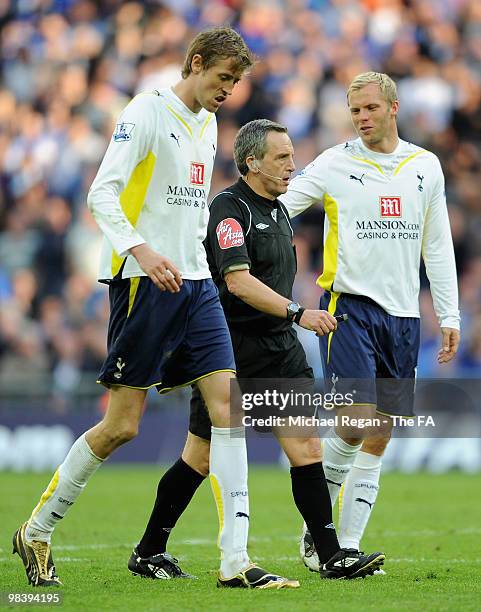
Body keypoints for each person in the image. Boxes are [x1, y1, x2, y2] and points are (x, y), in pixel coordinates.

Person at [13, 27, 297, 591]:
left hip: (194, 286)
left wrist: (203, 268)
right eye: (222, 78)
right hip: (143, 280)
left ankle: (236, 561)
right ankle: (37, 529)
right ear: (195, 63)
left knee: (228, 408)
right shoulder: (146, 112)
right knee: (122, 426)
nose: (229, 91)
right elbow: (101, 193)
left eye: (236, 83)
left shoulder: (210, 125)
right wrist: (142, 249)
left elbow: (189, 213)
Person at [132, 119, 385, 583]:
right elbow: (238, 281)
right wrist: (297, 312)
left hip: (279, 349)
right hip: (228, 347)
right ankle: (149, 549)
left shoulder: (279, 208)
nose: (293, 164)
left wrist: (290, 321)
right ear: (251, 162)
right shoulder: (229, 210)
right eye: (282, 157)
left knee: (306, 445)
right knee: (201, 456)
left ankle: (332, 556)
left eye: (292, 155)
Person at [277, 72, 461, 571]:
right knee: (354, 423)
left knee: (379, 432)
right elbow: (280, 209)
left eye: (370, 109)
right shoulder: (335, 163)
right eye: (355, 110)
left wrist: (449, 312)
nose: (361, 118)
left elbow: (437, 245)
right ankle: (320, 538)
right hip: (349, 310)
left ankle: (348, 546)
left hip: (403, 318)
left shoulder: (425, 166)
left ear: (394, 107)